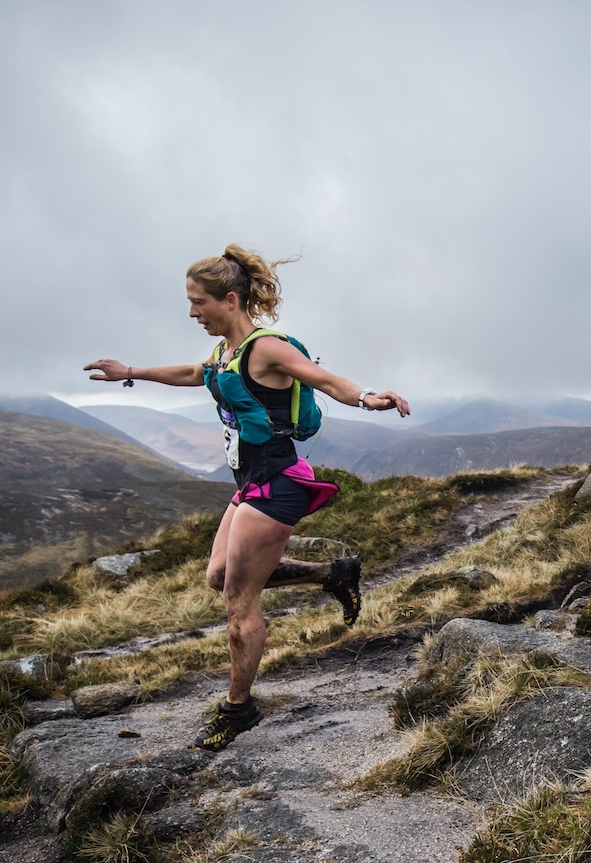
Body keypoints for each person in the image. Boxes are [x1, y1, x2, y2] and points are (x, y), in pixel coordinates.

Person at [85, 245, 409, 750]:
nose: (192, 312)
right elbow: (193, 374)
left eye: (198, 302)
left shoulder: (267, 348)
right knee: (219, 577)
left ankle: (238, 709)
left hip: (278, 484)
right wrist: (130, 371)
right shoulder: (225, 354)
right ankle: (333, 574)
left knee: (239, 602)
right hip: (250, 485)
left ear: (229, 300)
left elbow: (323, 379)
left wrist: (367, 398)